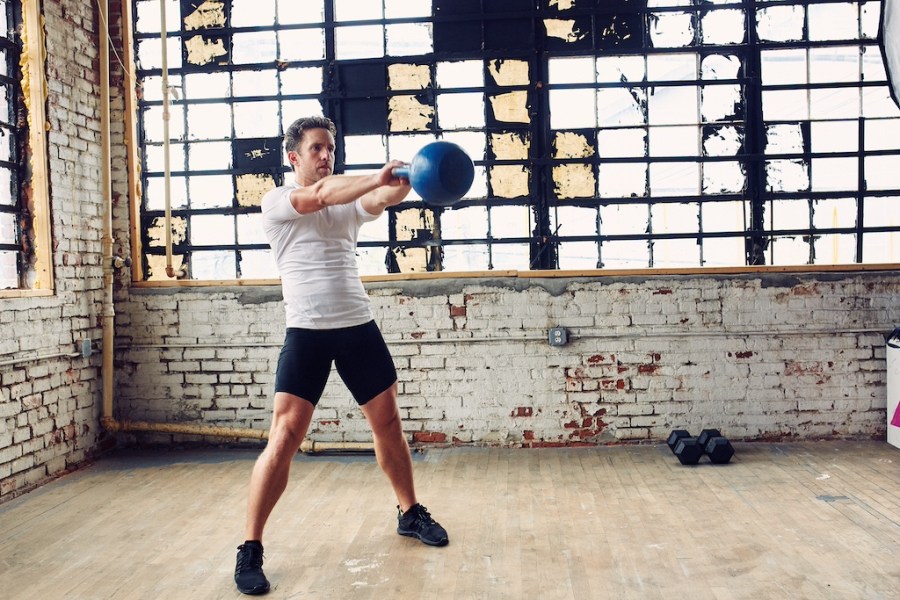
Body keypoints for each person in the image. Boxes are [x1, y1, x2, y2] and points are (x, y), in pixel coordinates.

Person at [233, 116, 449, 596]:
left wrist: (410, 179)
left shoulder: (347, 203)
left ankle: (409, 512)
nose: (325, 155)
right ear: (294, 157)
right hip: (307, 332)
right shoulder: (279, 201)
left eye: (330, 148)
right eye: (316, 149)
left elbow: (377, 199)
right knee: (286, 435)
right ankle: (250, 546)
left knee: (387, 423)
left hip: (357, 328)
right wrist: (377, 175)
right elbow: (322, 196)